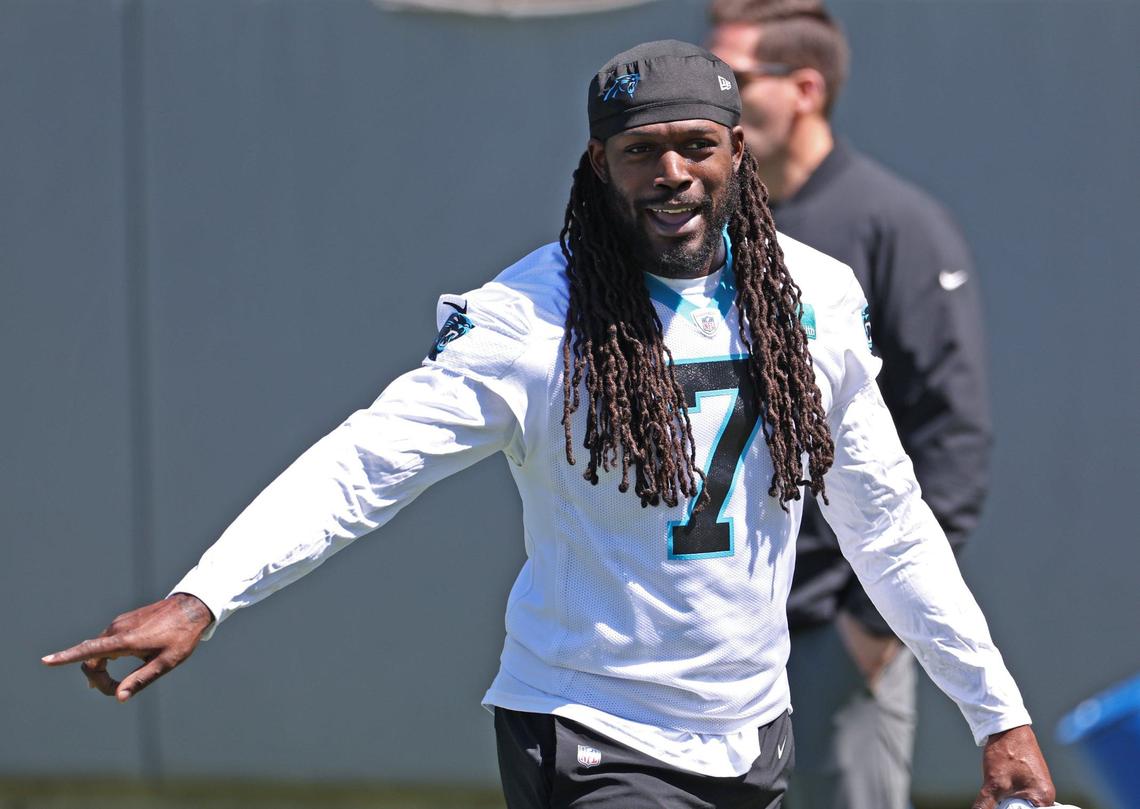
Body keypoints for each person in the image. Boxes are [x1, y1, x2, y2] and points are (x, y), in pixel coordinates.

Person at [43, 40, 1050, 809]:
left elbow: (890, 524)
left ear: (738, 150)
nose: (672, 174)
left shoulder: (817, 301)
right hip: (589, 726)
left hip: (751, 729)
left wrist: (997, 711)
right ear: (597, 163)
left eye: (696, 145)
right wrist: (207, 591)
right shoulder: (530, 318)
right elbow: (366, 462)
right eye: (640, 151)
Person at [707, 3, 992, 808]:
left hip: (833, 625)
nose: (711, 96)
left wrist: (872, 622)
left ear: (804, 88)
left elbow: (952, 434)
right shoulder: (707, 229)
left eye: (735, 77)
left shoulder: (893, 225)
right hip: (716, 633)